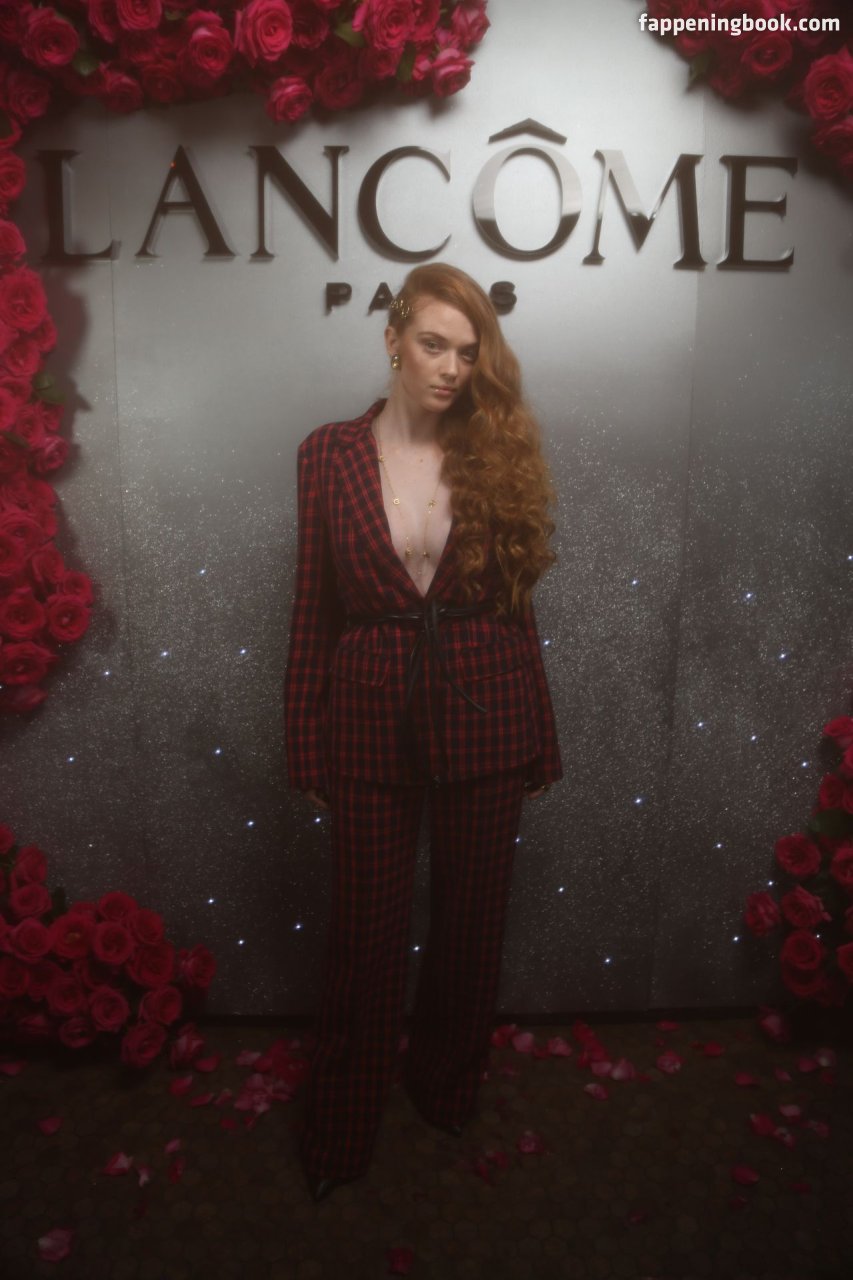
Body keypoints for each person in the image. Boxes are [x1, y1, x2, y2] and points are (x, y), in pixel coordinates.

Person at [284, 262, 563, 1202]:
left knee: (471, 928)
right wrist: (304, 733)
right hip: (367, 717)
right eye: (433, 344)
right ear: (393, 340)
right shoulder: (326, 453)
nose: (450, 367)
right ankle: (343, 1118)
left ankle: (445, 1085)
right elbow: (312, 606)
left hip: (488, 711)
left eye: (467, 351)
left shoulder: (492, 449)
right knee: (364, 936)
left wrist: (541, 732)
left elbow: (518, 606)